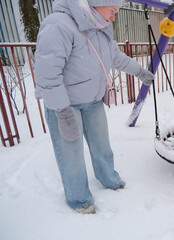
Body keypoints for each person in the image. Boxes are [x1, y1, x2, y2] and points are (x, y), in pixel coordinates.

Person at [34, 0, 155, 214]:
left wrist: (140, 72)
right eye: (113, 10)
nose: (114, 16)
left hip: (93, 101)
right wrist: (62, 112)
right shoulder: (59, 25)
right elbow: (47, 75)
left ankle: (108, 179)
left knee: (102, 145)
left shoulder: (100, 27)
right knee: (71, 153)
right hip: (65, 106)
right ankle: (79, 199)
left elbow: (116, 57)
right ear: (98, 3)